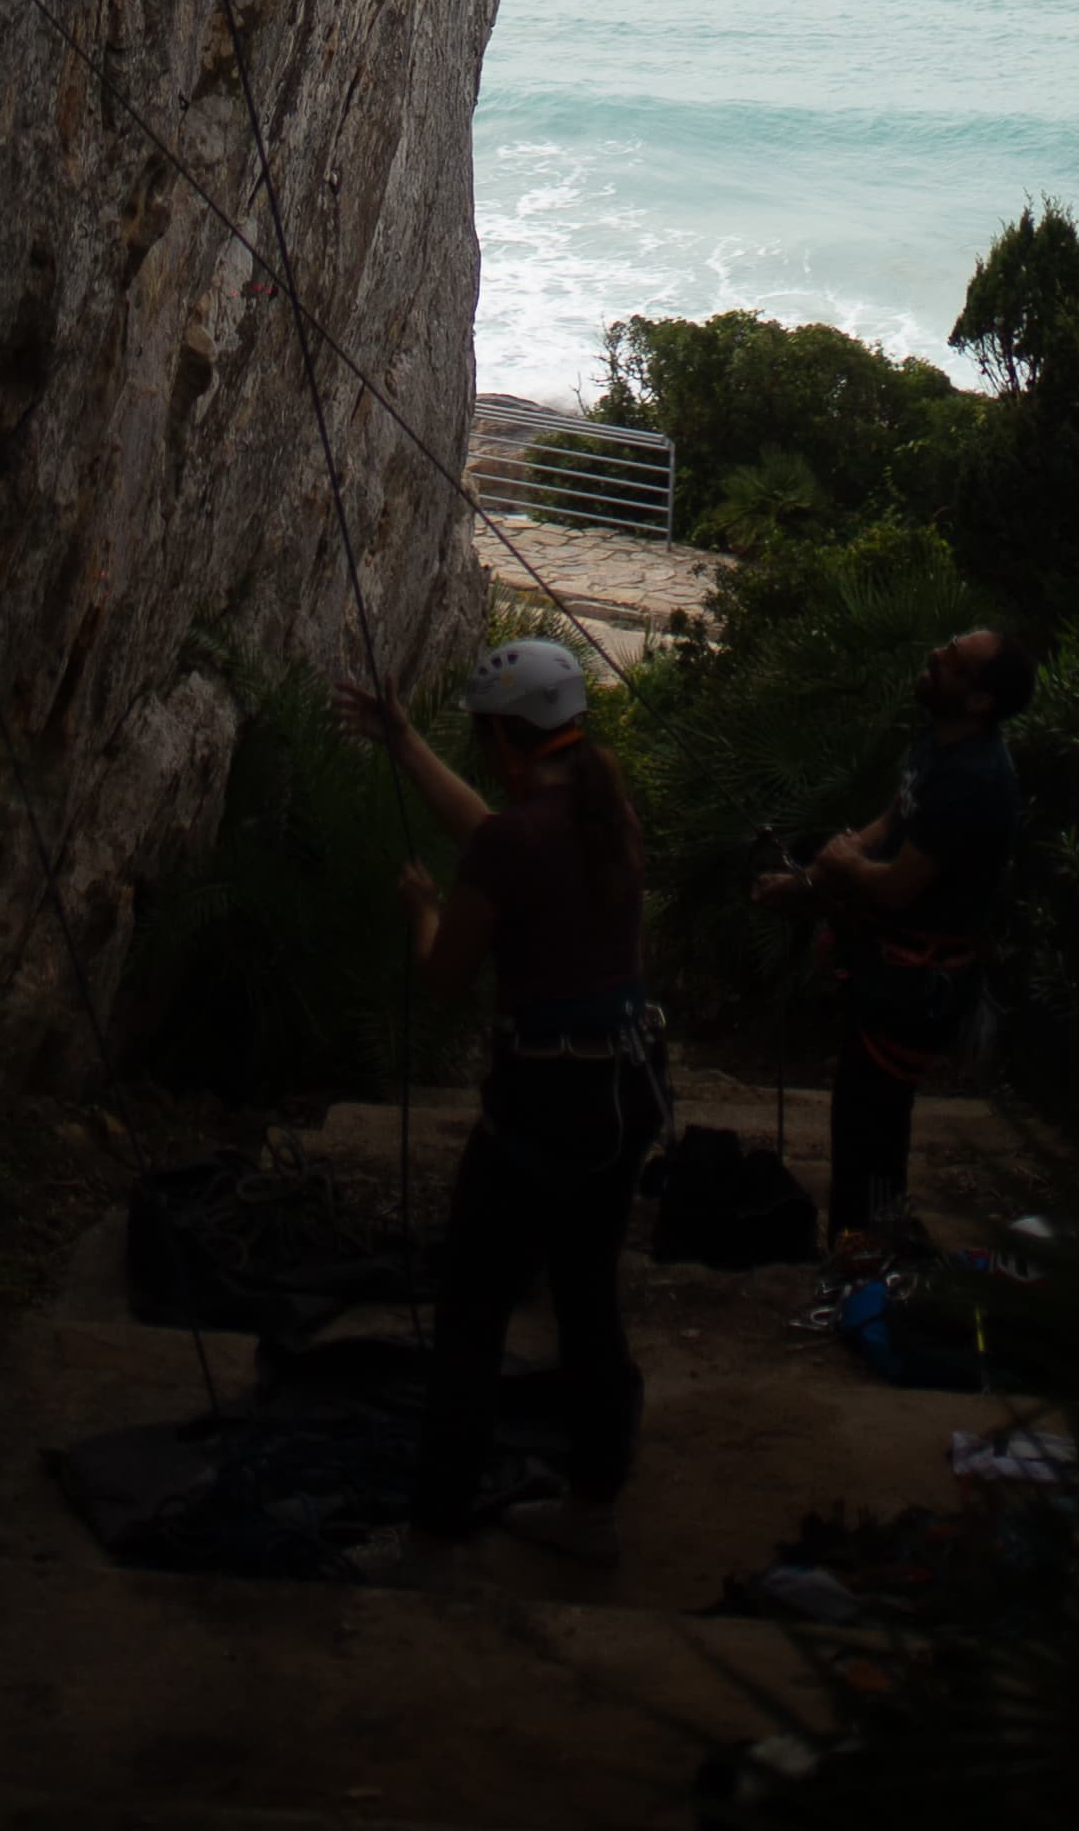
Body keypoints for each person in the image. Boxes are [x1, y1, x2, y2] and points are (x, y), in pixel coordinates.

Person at [339, 633, 665, 1566]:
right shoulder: (609, 814)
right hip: (621, 1094)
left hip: (538, 1112)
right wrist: (403, 742)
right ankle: (594, 1506)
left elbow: (446, 974)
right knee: (587, 1300)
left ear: (502, 738)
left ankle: (436, 1525)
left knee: (473, 1312)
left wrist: (421, 908)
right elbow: (492, 830)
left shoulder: (514, 843)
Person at [752, 623, 1034, 1243]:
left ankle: (870, 1254)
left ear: (981, 699)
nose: (936, 655)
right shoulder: (942, 743)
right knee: (858, 1115)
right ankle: (861, 1253)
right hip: (892, 965)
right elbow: (892, 821)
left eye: (954, 663)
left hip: (915, 982)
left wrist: (846, 867)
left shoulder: (976, 778)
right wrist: (815, 878)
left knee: (872, 1125)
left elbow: (898, 885)